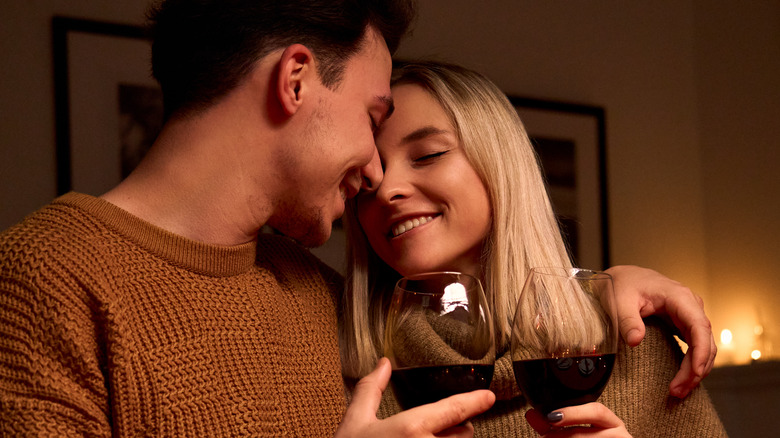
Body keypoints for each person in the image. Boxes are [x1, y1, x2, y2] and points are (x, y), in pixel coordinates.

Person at [0, 0, 713, 436]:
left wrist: (600, 289)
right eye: (373, 119)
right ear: (296, 80)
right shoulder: (44, 277)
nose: (376, 174)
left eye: (424, 151)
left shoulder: (317, 296)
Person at [339, 60, 728, 436]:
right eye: (367, 177)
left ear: (500, 164)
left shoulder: (631, 342)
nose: (387, 190)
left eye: (427, 155)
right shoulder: (336, 365)